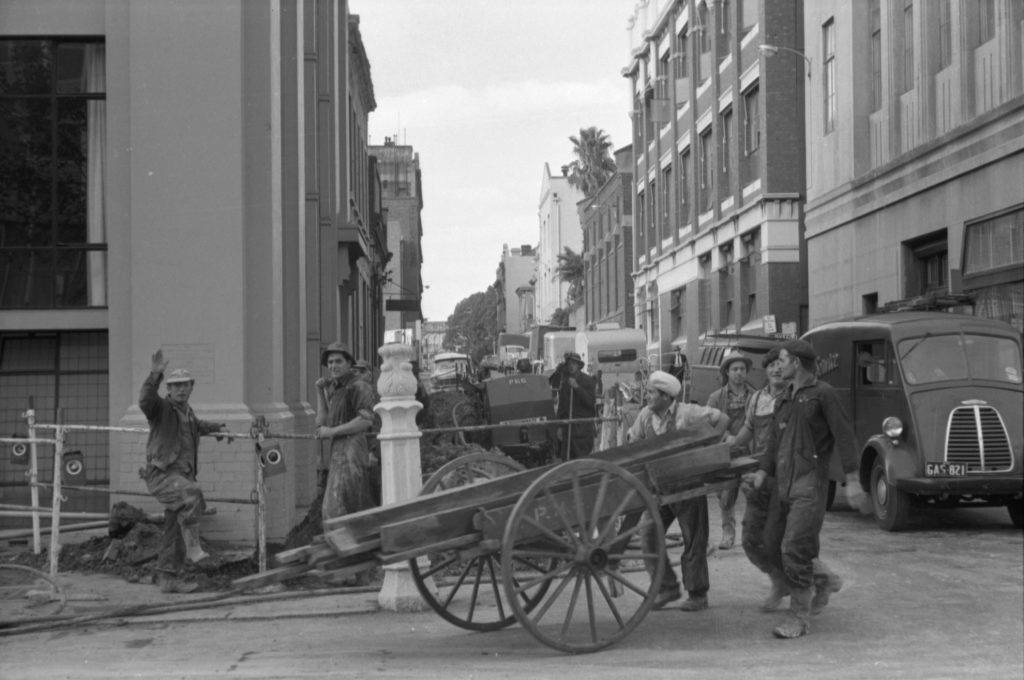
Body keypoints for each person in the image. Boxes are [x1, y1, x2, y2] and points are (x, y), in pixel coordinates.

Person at [742, 339, 868, 639]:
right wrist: (761, 472)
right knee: (770, 543)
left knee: (794, 548)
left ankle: (799, 617)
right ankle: (823, 581)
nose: (777, 365)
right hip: (782, 484)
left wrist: (853, 479)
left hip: (809, 485)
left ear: (796, 363)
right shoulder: (785, 398)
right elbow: (773, 443)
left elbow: (845, 435)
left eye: (782, 360)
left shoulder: (823, 395)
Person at [624, 370, 728, 611]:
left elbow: (721, 419)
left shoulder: (687, 413)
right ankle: (667, 588)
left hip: (687, 486)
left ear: (666, 397)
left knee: (694, 540)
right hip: (658, 490)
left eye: (651, 392)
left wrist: (710, 449)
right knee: (649, 537)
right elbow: (632, 443)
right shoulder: (645, 416)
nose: (647, 396)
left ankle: (698, 593)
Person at [139, 349, 231, 594]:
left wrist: (216, 429)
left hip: (182, 476)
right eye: (176, 386)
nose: (181, 389)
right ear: (168, 390)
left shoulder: (188, 412)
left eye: (185, 385)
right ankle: (193, 548)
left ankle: (168, 577)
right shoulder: (162, 409)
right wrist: (155, 375)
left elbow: (196, 426)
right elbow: (146, 401)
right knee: (193, 494)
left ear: (191, 387)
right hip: (163, 476)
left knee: (174, 529)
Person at [314, 342, 378, 521]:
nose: (333, 366)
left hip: (352, 450)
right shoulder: (335, 388)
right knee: (343, 505)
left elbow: (366, 420)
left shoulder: (358, 386)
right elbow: (321, 423)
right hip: (338, 451)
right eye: (330, 362)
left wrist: (333, 431)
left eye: (338, 361)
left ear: (350, 363)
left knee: (337, 507)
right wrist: (320, 393)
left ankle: (352, 543)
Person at [706, 352, 756, 550]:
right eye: (734, 369)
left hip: (750, 452)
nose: (739, 373)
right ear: (727, 372)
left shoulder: (755, 396)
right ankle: (728, 533)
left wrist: (746, 439)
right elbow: (709, 424)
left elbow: (760, 423)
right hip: (725, 451)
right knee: (726, 496)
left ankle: (752, 535)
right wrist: (727, 437)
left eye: (742, 369)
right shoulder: (716, 397)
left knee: (753, 490)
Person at [550, 352, 597, 459]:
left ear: (579, 366)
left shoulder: (588, 381)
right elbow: (562, 407)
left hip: (582, 430)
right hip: (568, 431)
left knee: (582, 461)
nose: (571, 366)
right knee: (567, 461)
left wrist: (577, 387)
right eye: (569, 364)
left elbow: (590, 402)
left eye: (574, 363)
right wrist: (559, 426)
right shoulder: (565, 383)